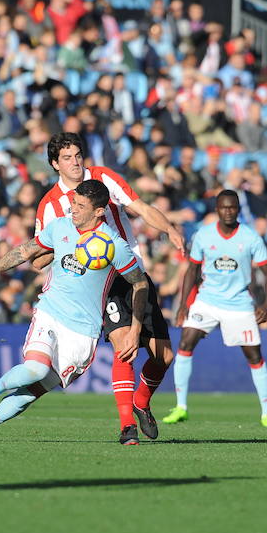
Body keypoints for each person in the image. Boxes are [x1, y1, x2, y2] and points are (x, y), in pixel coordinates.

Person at [0, 180, 149, 443]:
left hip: (83, 332)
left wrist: (135, 330)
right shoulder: (60, 226)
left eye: (80, 206)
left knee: (31, 393)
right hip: (50, 311)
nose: (73, 208)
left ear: (99, 211)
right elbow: (25, 251)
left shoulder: (114, 245)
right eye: (73, 202)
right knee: (35, 369)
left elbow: (139, 283)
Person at [35, 132, 184, 444]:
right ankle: (127, 426)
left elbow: (141, 207)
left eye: (78, 155)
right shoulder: (50, 205)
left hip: (134, 273)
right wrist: (68, 246)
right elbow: (38, 259)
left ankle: (141, 402)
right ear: (54, 164)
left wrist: (169, 228)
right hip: (99, 281)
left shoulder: (103, 178)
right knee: (124, 347)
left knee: (164, 356)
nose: (75, 162)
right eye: (67, 158)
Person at [163, 190, 267, 428]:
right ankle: (181, 407)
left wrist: (266, 304)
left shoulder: (250, 237)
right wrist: (184, 306)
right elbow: (192, 271)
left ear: (237, 209)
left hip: (239, 304)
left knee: (254, 356)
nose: (228, 211)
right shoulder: (203, 235)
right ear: (217, 209)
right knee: (185, 342)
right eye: (224, 207)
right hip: (208, 300)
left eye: (233, 207)